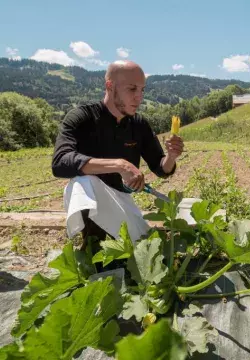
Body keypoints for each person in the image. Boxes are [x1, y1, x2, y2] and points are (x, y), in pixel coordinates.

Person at [51, 60, 184, 252]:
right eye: (132, 89)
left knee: (143, 251)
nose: (139, 97)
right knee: (84, 182)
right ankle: (92, 245)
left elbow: (160, 168)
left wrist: (171, 157)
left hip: (122, 199)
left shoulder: (139, 125)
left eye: (142, 90)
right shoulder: (81, 118)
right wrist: (119, 165)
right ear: (109, 86)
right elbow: (60, 162)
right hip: (91, 200)